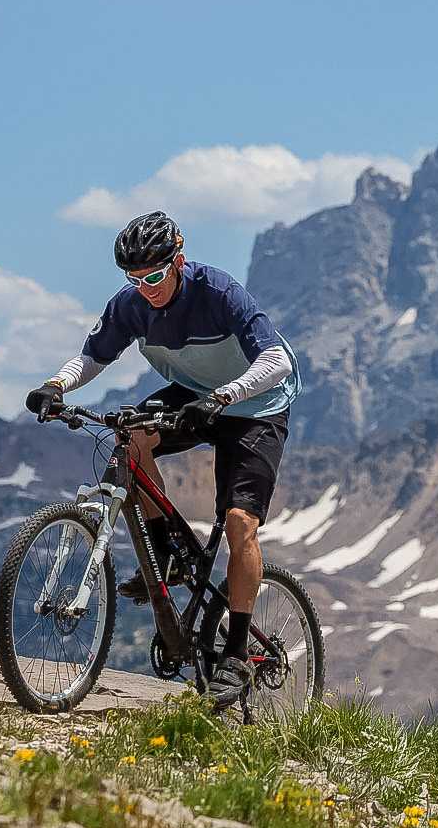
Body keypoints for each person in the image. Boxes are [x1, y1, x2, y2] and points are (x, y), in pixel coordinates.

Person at [25, 211, 300, 710]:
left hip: (257, 406)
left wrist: (222, 398)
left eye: (154, 275)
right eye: (134, 278)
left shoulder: (218, 291)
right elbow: (93, 356)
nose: (145, 287)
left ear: (178, 258)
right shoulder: (131, 305)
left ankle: (236, 655)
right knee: (129, 438)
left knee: (239, 523)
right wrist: (56, 386)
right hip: (196, 396)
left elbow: (277, 359)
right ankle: (169, 552)